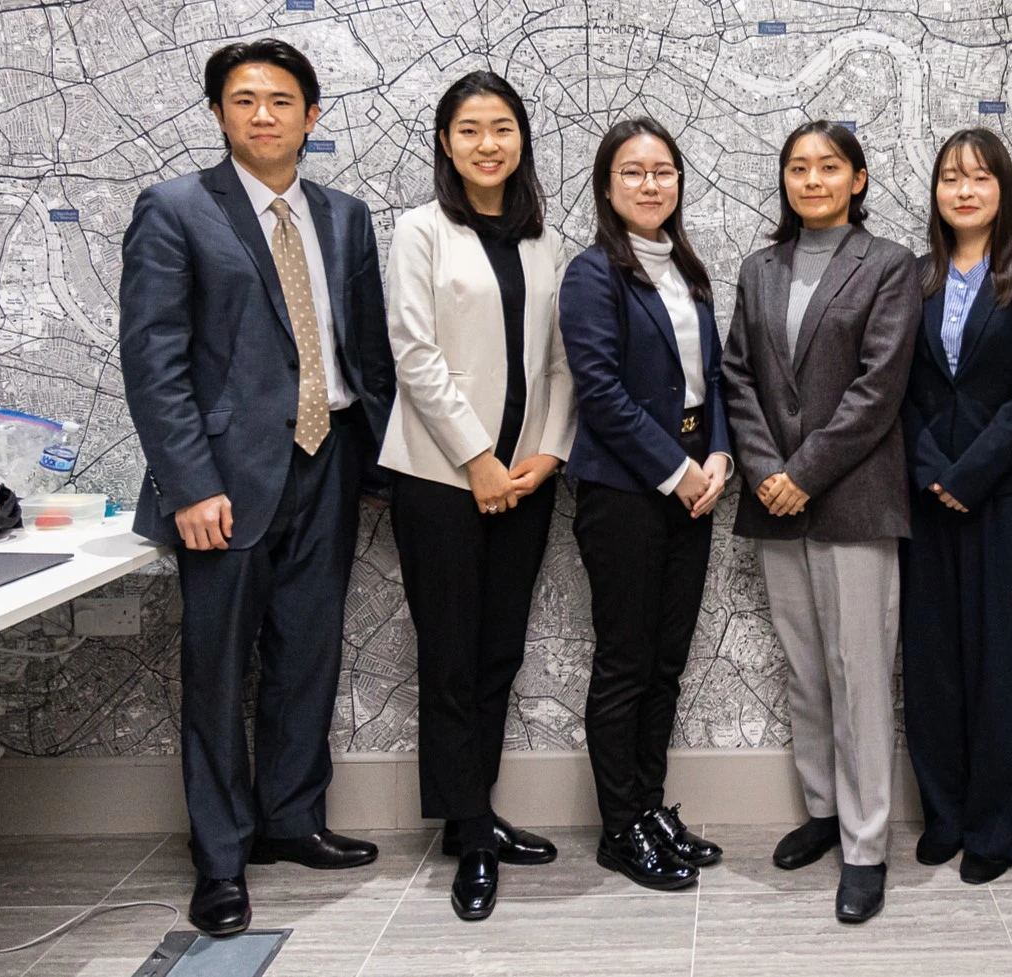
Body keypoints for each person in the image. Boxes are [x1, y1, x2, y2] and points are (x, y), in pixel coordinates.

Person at [118, 38, 393, 936]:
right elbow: (154, 360)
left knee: (307, 655)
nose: (263, 114)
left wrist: (378, 464)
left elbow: (365, 351)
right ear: (218, 113)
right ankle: (221, 859)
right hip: (223, 484)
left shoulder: (345, 215)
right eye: (244, 100)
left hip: (329, 462)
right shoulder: (174, 210)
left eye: (281, 101)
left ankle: (291, 819)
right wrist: (189, 483)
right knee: (217, 670)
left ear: (312, 117)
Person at [379, 70, 576, 921]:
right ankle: (468, 833)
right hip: (440, 478)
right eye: (469, 129)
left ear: (521, 138)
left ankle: (479, 813)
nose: (487, 143)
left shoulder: (545, 240)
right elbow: (413, 353)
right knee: (452, 655)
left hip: (526, 479)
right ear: (445, 143)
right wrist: (478, 459)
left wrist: (546, 452)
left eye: (501, 127)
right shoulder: (419, 230)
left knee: (499, 651)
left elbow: (560, 362)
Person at [721, 120, 921, 923]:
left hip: (854, 500)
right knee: (806, 669)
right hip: (775, 502)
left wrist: (801, 474)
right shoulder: (758, 268)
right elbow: (738, 374)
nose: (812, 180)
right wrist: (767, 472)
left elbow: (878, 388)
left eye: (829, 166)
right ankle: (823, 811)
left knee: (859, 674)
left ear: (857, 179)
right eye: (799, 167)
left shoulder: (890, 265)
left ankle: (866, 846)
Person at [559, 117, 730, 892]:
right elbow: (600, 392)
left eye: (663, 171)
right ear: (607, 186)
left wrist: (718, 454)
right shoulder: (592, 273)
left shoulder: (687, 267)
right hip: (626, 492)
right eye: (633, 171)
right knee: (625, 663)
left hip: (695, 483)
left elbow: (712, 378)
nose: (650, 183)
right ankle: (619, 825)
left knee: (666, 663)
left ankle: (651, 807)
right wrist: (677, 471)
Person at [899, 128, 1012, 885]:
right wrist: (933, 469)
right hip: (927, 496)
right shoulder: (911, 279)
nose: (964, 191)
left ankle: (995, 831)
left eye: (979, 177)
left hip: (1008, 498)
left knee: (1003, 665)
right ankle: (945, 817)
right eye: (950, 178)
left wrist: (970, 474)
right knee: (933, 665)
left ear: (1004, 189)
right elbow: (897, 386)